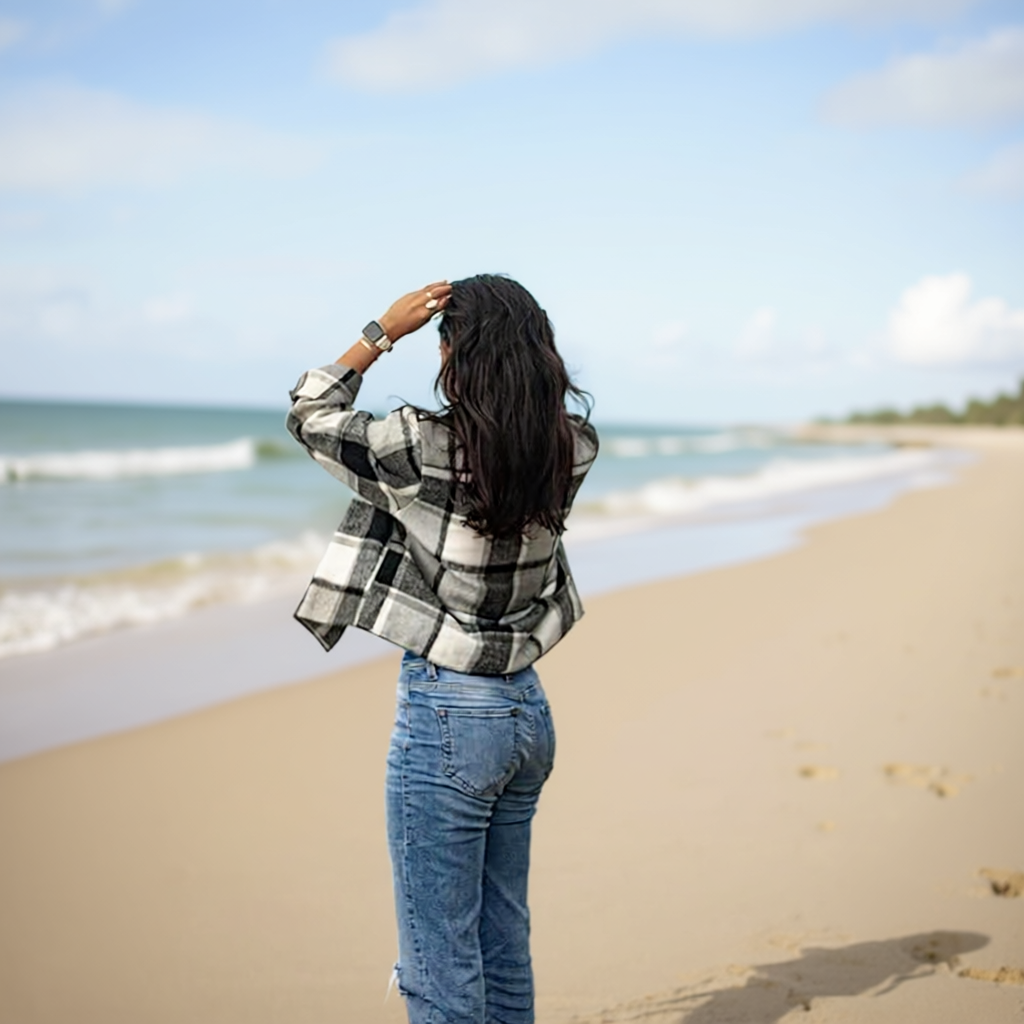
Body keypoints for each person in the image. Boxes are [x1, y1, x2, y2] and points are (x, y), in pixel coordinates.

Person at [286, 274, 599, 1023]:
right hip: (525, 709)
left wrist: (379, 332)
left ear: (457, 351)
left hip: (450, 716)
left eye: (443, 340)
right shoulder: (573, 446)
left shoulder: (414, 443)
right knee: (501, 940)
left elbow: (310, 412)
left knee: (437, 958)